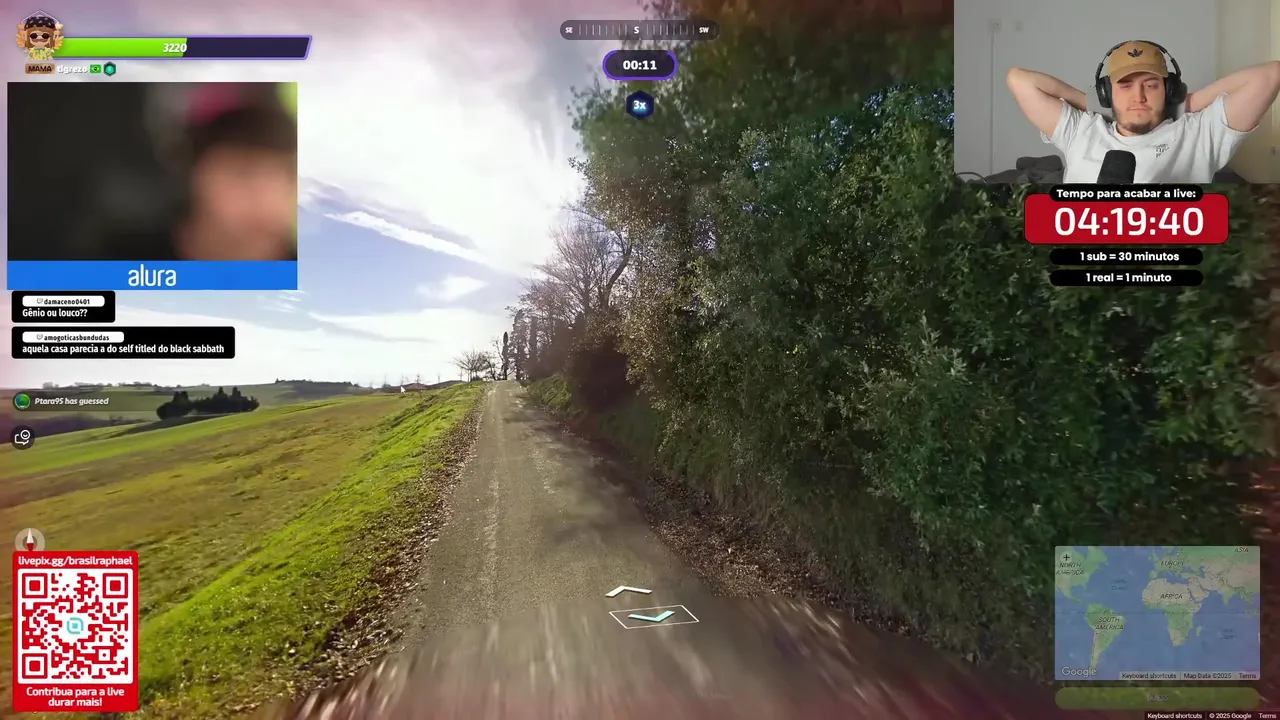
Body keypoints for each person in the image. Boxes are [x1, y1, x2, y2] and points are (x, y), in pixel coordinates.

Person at [1006, 41, 1280, 183]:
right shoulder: (1081, 130)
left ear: (1169, 91)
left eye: (1151, 85)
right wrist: (1093, 103)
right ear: (1106, 92)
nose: (1138, 96)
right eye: (1125, 86)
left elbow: (1270, 75)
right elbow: (1019, 80)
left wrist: (1187, 103)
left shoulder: (1198, 134)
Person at [98, 92, 298, 261]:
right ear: (193, 172)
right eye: (244, 173)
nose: (269, 199)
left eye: (289, 175)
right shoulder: (118, 261)